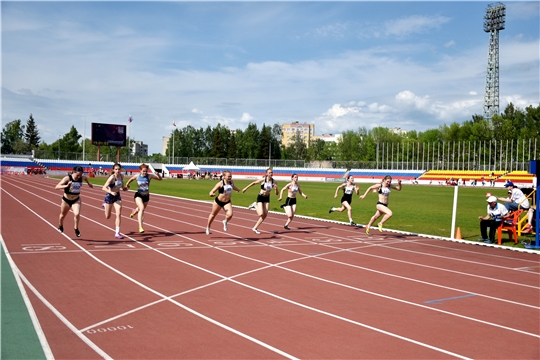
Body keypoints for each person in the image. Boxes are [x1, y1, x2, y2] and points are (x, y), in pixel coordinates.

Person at [55, 165, 93, 237]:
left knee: (77, 214)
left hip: (76, 199)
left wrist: (89, 184)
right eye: (78, 175)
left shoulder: (82, 177)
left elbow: (85, 178)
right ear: (73, 172)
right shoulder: (67, 178)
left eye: (81, 174)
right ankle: (60, 226)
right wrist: (66, 186)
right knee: (62, 215)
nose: (79, 176)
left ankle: (76, 228)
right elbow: (56, 187)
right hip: (66, 200)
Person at [125, 164, 162, 234]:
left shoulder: (149, 176)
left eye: (146, 171)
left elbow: (160, 179)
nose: (145, 173)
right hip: (139, 195)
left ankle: (135, 211)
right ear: (140, 171)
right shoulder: (137, 176)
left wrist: (158, 174)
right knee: (142, 208)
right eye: (143, 171)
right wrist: (127, 184)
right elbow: (131, 179)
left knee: (140, 209)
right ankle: (140, 227)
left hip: (146, 196)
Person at [242, 168, 279, 234]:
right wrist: (245, 188)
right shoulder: (263, 180)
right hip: (261, 197)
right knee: (260, 214)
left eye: (272, 172)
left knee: (265, 215)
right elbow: (254, 183)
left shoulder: (274, 182)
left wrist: (276, 189)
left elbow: (277, 194)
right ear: (267, 174)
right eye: (270, 173)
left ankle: (255, 227)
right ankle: (255, 205)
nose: (271, 174)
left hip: (267, 198)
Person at [205, 170, 240, 235]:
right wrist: (211, 194)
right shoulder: (220, 184)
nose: (230, 178)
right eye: (229, 176)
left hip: (227, 202)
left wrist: (237, 189)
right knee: (213, 215)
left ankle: (225, 221)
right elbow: (211, 191)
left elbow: (233, 187)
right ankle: (208, 227)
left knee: (230, 214)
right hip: (218, 202)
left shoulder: (231, 182)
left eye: (231, 176)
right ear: (224, 176)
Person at [102, 163, 128, 239]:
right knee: (107, 216)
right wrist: (111, 192)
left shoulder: (122, 176)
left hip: (117, 196)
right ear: (113, 170)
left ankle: (117, 233)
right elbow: (103, 188)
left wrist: (125, 188)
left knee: (118, 213)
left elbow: (122, 186)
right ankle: (105, 205)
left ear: (121, 170)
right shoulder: (112, 178)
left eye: (119, 169)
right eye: (116, 169)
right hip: (109, 196)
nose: (117, 171)